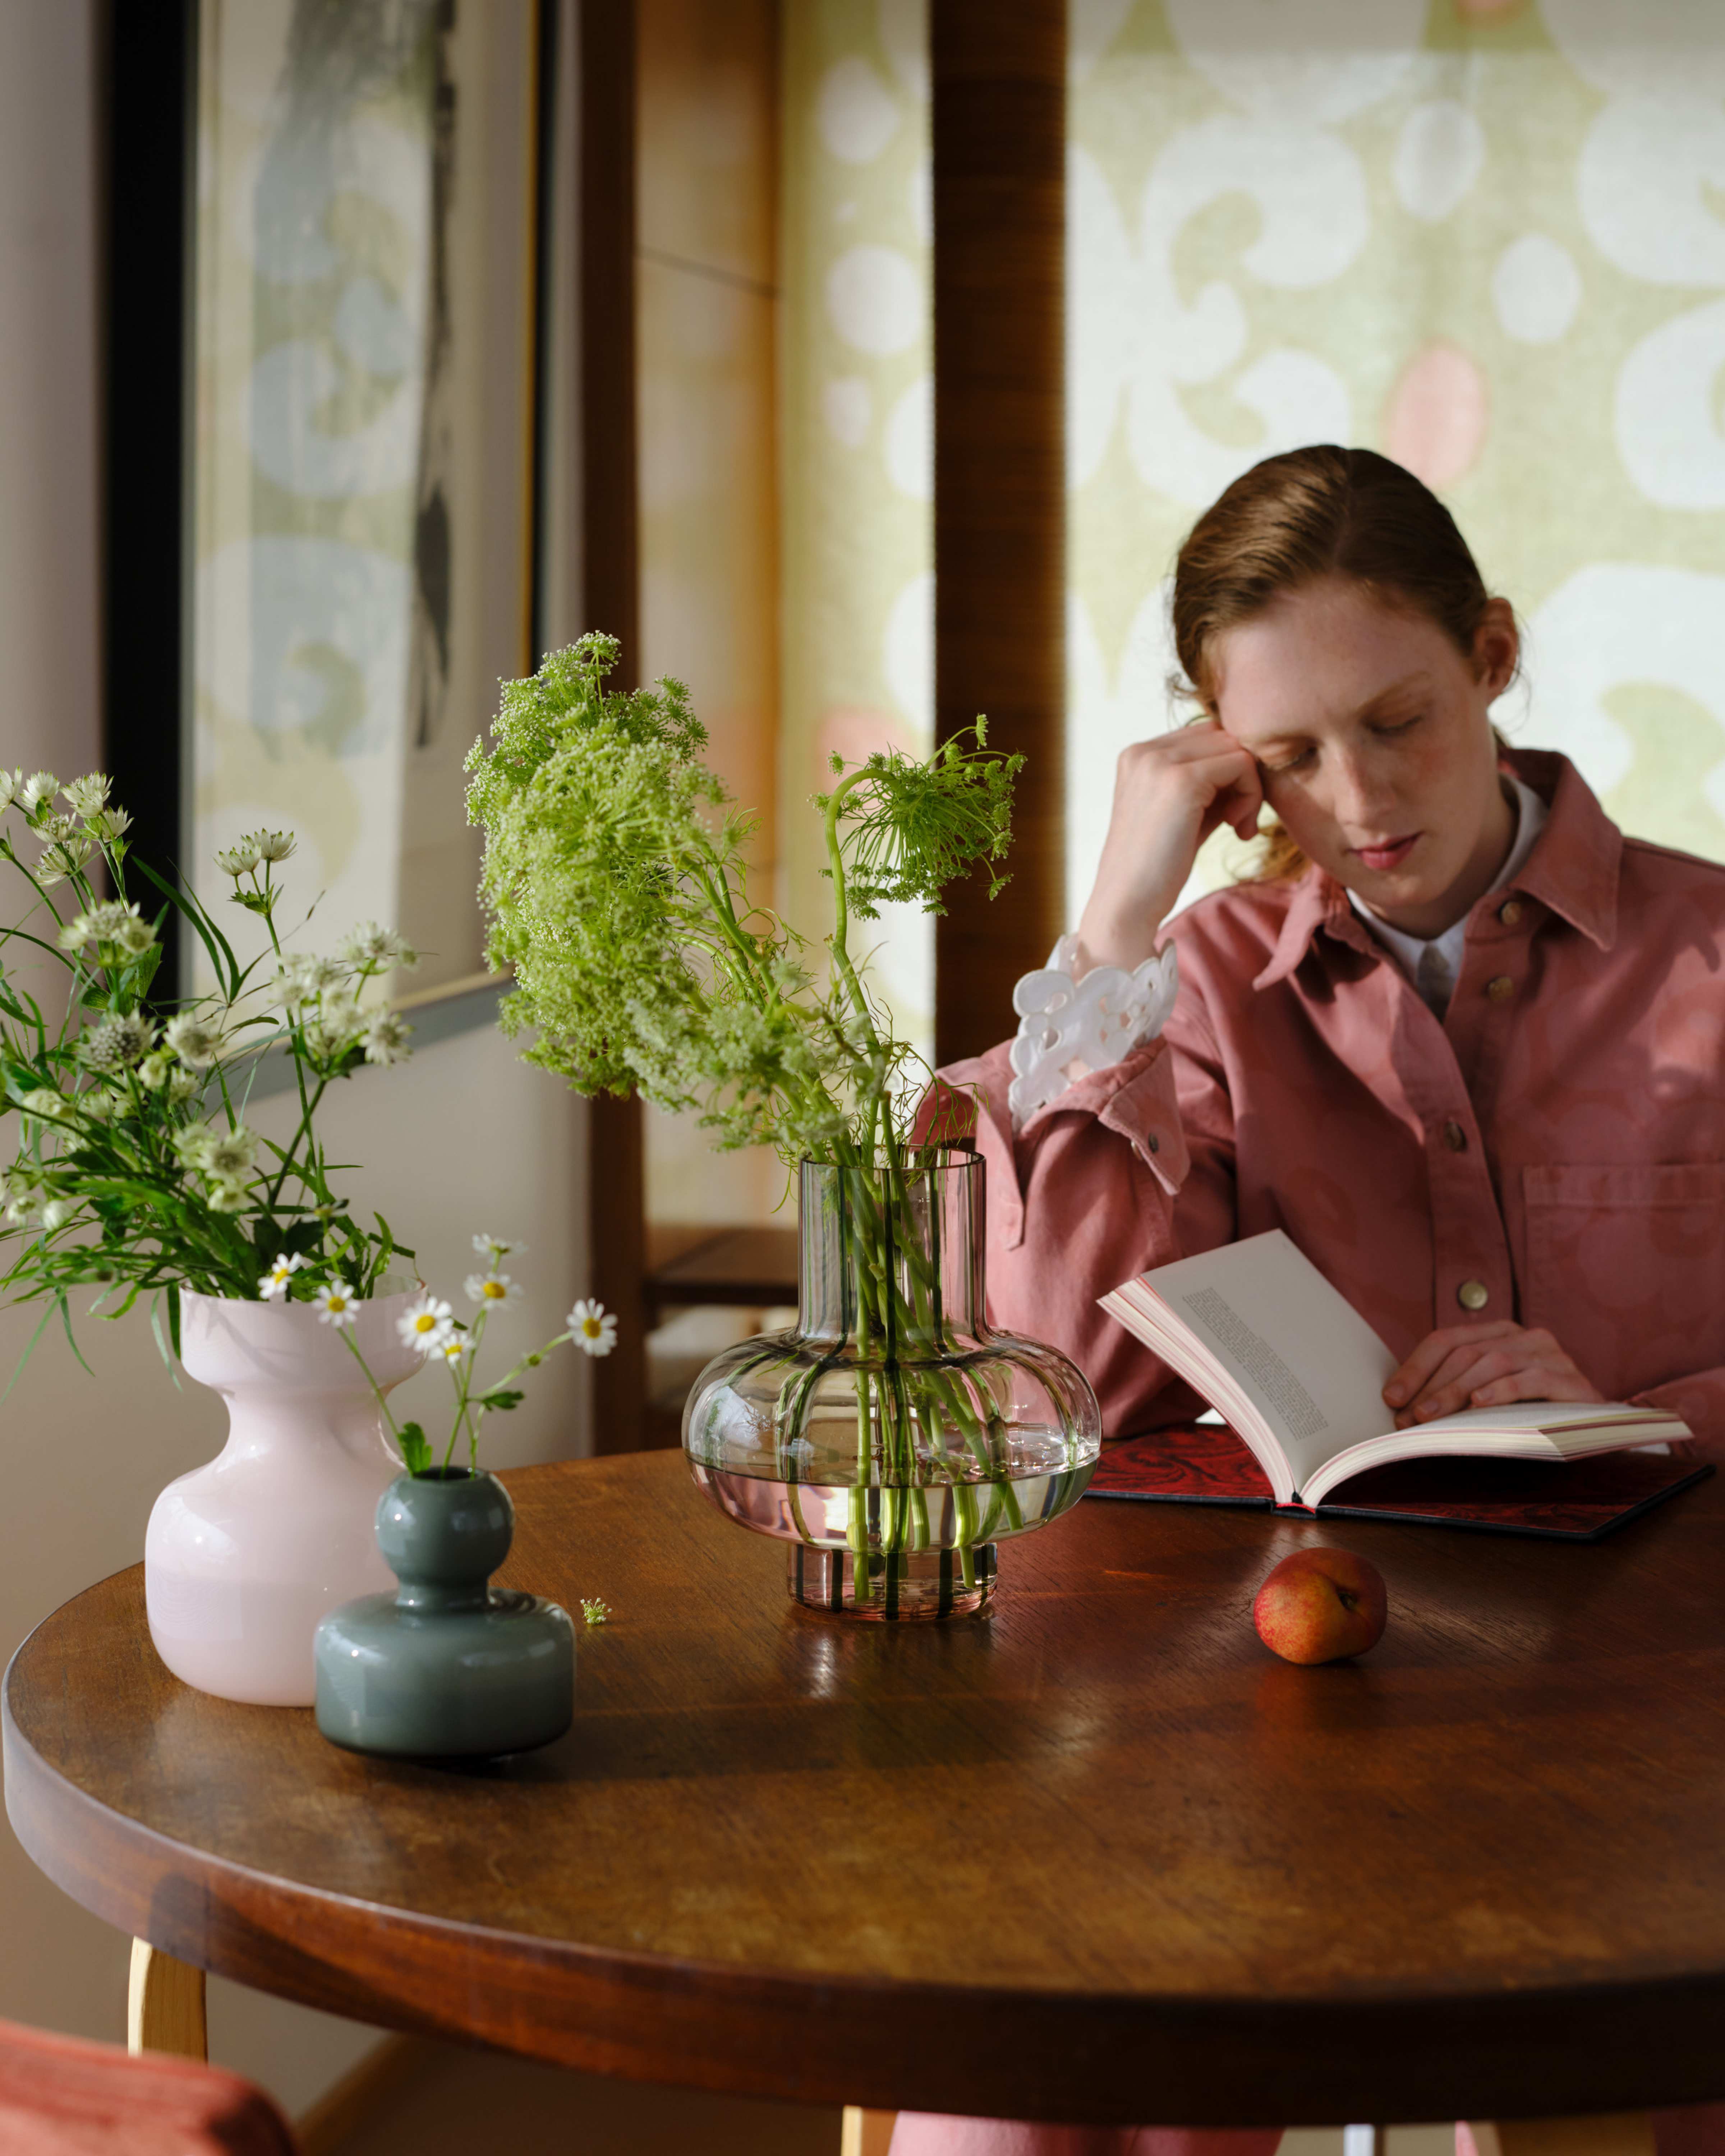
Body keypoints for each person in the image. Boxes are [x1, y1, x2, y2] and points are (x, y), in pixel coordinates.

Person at [894, 446, 1725, 2156]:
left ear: (1493, 654)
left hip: (1673, 1702)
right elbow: (1063, 1384)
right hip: (1281, 1696)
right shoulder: (1186, 991)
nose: (1356, 799)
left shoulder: (1717, 959)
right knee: (1052, 2015)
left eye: (1397, 718)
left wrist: (1636, 1412)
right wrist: (1115, 921)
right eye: (1286, 759)